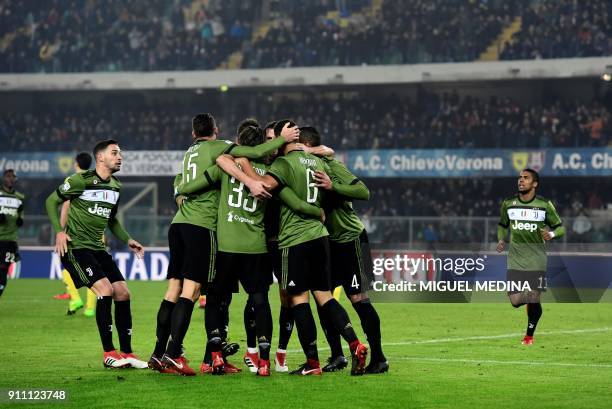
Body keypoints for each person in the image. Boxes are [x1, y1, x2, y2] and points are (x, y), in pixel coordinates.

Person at [149, 113, 298, 376]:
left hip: (202, 234)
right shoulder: (270, 173)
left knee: (195, 294)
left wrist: (180, 191)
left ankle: (177, 354)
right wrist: (282, 143)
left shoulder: (210, 161)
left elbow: (190, 181)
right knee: (238, 298)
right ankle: (255, 360)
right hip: (236, 239)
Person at [257, 120, 369, 376]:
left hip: (295, 238)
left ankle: (313, 363)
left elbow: (263, 185)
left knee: (298, 299)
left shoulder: (283, 164)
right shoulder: (318, 163)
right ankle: (355, 342)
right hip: (321, 238)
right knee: (325, 296)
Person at [45, 139, 148, 368]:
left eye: (120, 153)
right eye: (114, 153)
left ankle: (127, 353)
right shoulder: (79, 181)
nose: (120, 157)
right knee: (106, 290)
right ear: (100, 157)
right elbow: (51, 201)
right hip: (76, 248)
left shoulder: (115, 187)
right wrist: (59, 232)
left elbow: (112, 220)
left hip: (98, 248)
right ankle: (108, 354)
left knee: (123, 293)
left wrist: (128, 239)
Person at [302, 126, 389, 374]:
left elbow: (363, 191)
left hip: (350, 239)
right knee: (323, 299)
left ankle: (379, 358)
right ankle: (337, 356)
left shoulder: (330, 165)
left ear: (306, 144)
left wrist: (333, 186)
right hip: (328, 242)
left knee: (358, 299)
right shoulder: (305, 166)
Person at [497, 169, 565, 345]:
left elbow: (560, 227)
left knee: (534, 297)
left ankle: (529, 336)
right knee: (515, 301)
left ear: (534, 184)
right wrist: (501, 239)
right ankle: (532, 303)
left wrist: (551, 234)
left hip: (537, 259)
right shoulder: (508, 203)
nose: (521, 180)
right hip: (515, 259)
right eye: (519, 177)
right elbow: (502, 225)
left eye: (526, 178)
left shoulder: (544, 205)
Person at [57, 152, 98, 316]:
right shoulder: (96, 180)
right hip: (94, 231)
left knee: (68, 267)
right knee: (93, 269)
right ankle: (89, 308)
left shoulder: (72, 180)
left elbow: (66, 206)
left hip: (74, 231)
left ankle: (75, 299)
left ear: (76, 164)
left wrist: (60, 230)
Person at [0, 169, 25, 299]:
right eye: (8, 176)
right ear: (3, 178)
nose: (10, 179)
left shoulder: (20, 198)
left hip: (10, 241)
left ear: (15, 179)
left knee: (4, 269)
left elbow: (21, 219)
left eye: (13, 176)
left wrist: (21, 220)